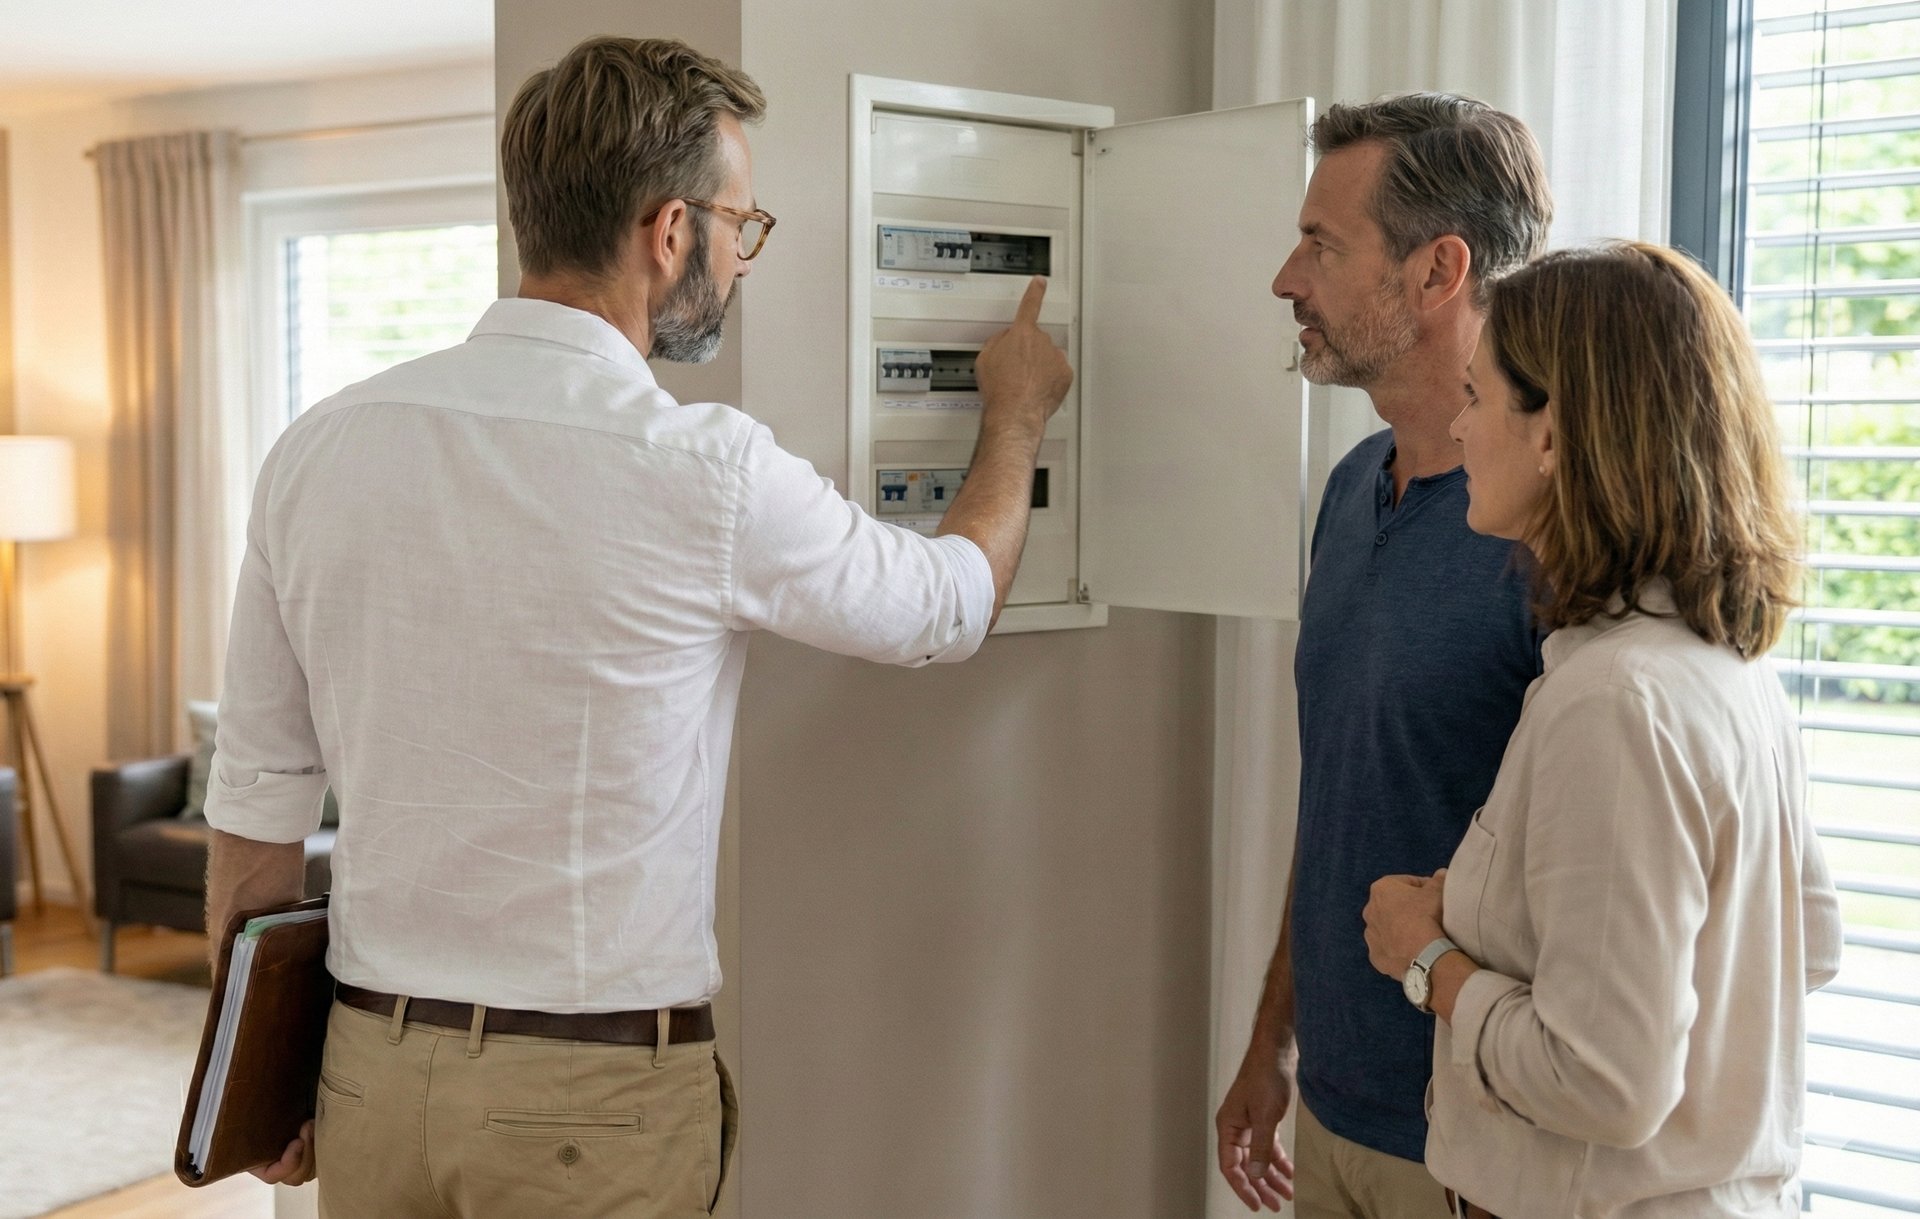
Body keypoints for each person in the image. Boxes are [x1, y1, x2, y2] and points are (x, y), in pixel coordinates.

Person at [201, 35, 1071, 1218]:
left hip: (367, 1076)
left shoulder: (318, 449)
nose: (744, 256)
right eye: (742, 226)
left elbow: (254, 816)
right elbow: (945, 606)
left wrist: (256, 1079)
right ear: (671, 233)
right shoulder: (703, 472)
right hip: (590, 1103)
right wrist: (1015, 417)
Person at [1362, 241, 1844, 1217]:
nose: (1458, 432)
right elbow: (1810, 939)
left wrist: (1430, 962)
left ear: (1553, 435)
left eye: (1478, 397)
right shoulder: (1721, 666)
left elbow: (1605, 1083)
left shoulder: (1615, 702)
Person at [1214, 95, 1553, 1217]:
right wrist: (1273, 1038)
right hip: (1334, 1108)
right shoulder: (1353, 490)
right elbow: (1344, 795)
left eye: (1322, 244)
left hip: (1479, 1139)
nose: (1286, 279)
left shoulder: (1552, 531)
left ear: (1436, 271)